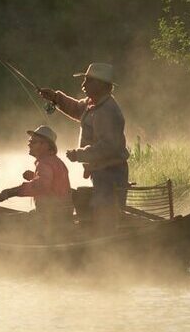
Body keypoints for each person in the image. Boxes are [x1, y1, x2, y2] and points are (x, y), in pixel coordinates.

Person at [38, 63, 129, 228]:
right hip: (100, 171)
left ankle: (105, 244)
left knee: (106, 217)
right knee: (99, 214)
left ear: (101, 84)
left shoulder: (109, 111)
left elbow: (108, 147)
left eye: (88, 81)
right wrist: (55, 97)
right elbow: (75, 108)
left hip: (111, 173)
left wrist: (79, 155)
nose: (83, 85)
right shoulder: (92, 103)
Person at [0, 125, 73, 222]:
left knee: (5, 222)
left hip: (52, 217)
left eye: (33, 142)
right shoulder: (55, 161)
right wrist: (34, 176)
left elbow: (41, 186)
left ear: (46, 145)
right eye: (29, 141)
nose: (29, 145)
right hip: (63, 214)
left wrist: (11, 192)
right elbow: (52, 183)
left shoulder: (45, 163)